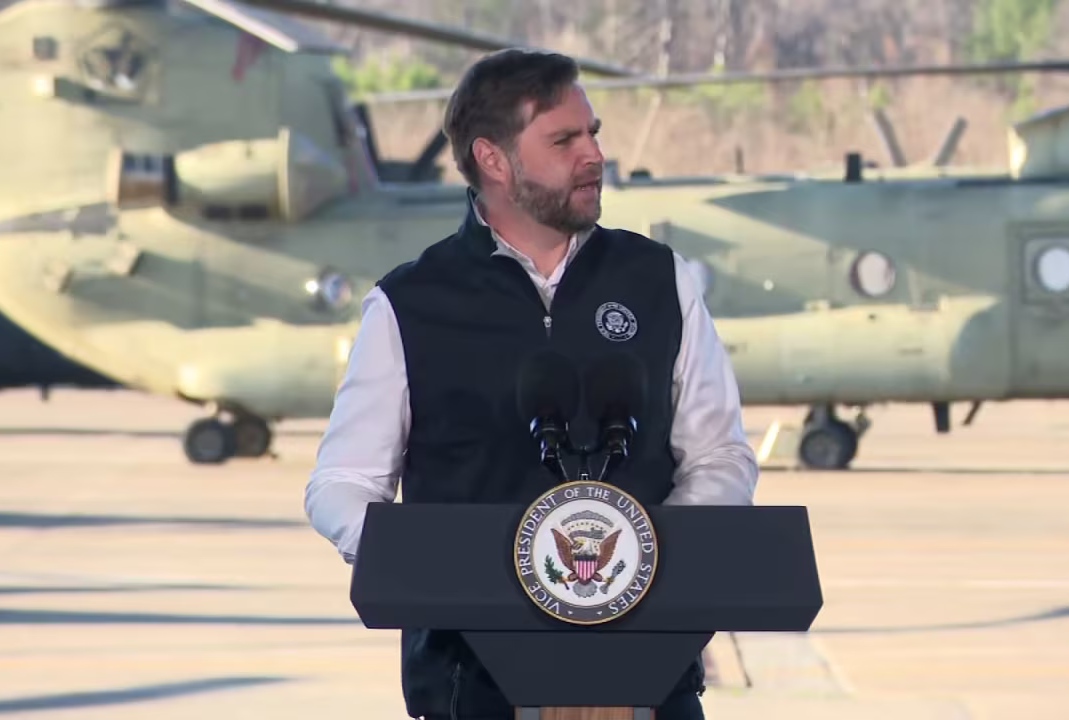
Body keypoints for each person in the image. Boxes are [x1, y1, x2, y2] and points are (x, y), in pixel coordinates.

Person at [305, 48, 759, 720]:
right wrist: (410, 558)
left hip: (650, 677)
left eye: (593, 132)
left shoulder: (660, 280)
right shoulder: (411, 303)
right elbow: (340, 482)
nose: (594, 155)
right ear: (493, 159)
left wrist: (648, 563)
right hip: (472, 686)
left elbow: (720, 455)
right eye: (565, 140)